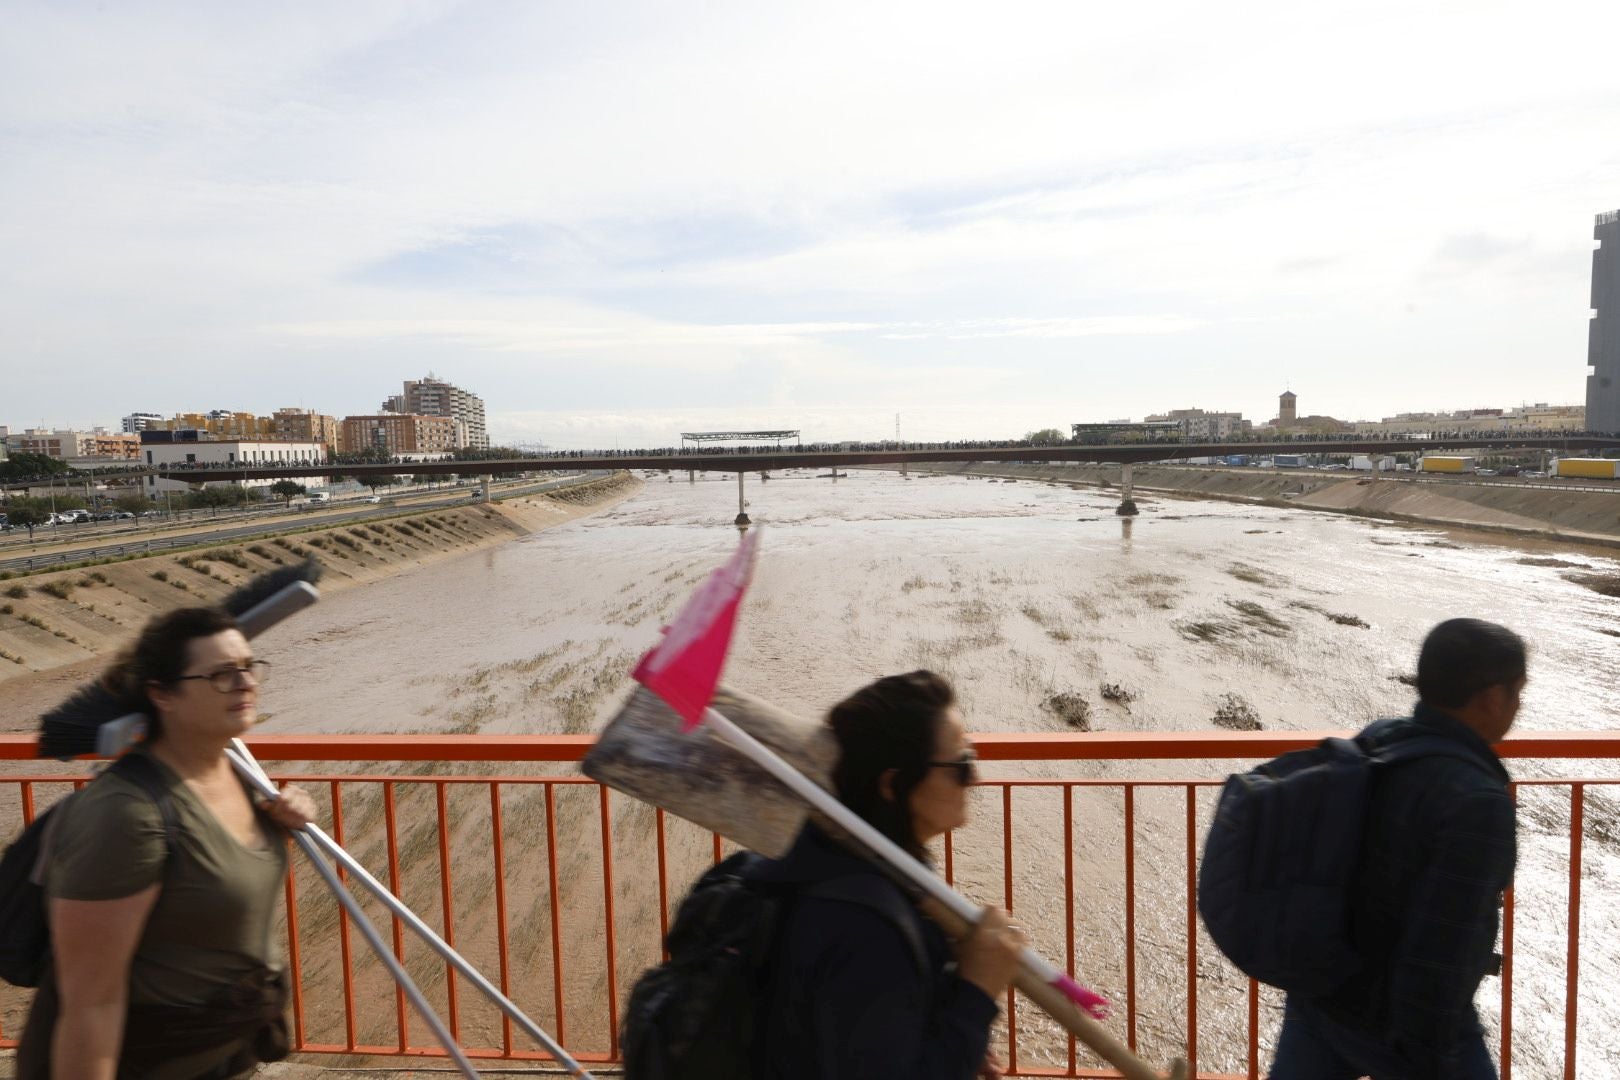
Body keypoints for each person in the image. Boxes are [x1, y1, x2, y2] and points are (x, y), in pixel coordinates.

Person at [17, 607, 316, 1080]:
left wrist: (277, 823)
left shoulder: (231, 770)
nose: (244, 682)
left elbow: (210, 882)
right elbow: (92, 1004)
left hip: (226, 1053)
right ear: (163, 695)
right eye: (220, 674)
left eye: (248, 666)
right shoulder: (126, 816)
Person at [1270, 618, 1525, 1080]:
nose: (1518, 706)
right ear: (1491, 697)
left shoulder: (1380, 739)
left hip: (1323, 990)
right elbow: (1441, 948)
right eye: (1517, 692)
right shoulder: (1478, 802)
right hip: (1395, 1019)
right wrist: (1431, 1055)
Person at [753, 670, 1023, 1079]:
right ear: (893, 785)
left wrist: (952, 1031)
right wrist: (977, 994)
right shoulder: (866, 924)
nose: (976, 779)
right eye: (962, 765)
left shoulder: (834, 857)